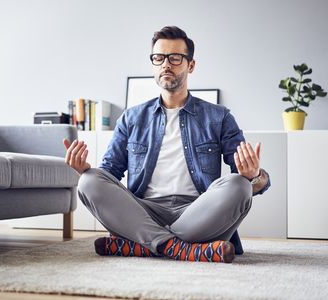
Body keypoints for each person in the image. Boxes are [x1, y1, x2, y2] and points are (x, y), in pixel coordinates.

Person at [63, 26, 270, 263]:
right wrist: (84, 170)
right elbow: (109, 174)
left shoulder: (219, 117)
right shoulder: (132, 118)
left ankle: (143, 245)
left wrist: (255, 176)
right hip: (143, 213)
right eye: (158, 58)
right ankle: (181, 249)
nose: (165, 64)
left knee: (240, 186)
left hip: (198, 213)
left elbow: (252, 183)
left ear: (190, 65)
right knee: (89, 181)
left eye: (175, 58)